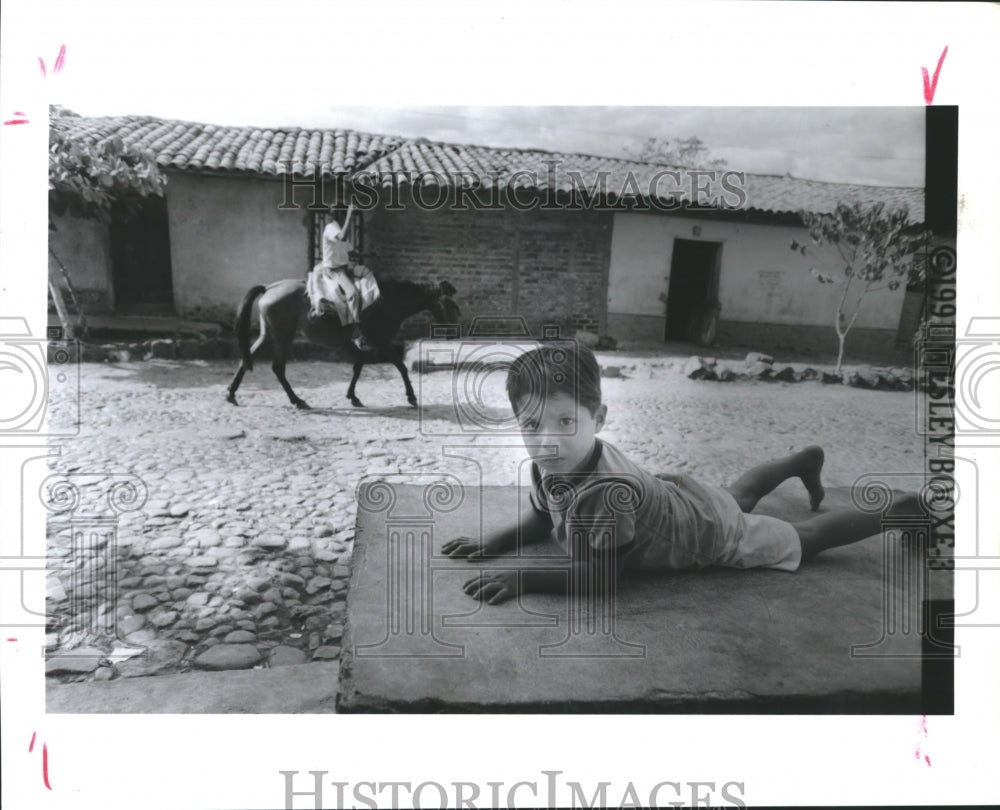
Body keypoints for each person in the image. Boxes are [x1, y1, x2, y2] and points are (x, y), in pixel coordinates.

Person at [442, 343, 920, 604]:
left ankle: (900, 511)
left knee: (803, 536)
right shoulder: (550, 463)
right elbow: (544, 518)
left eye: (565, 422)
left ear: (600, 418)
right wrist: (498, 540)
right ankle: (801, 462)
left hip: (705, 535)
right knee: (734, 496)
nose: (547, 439)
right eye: (531, 424)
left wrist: (525, 578)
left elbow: (601, 579)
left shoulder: (605, 496)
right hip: (681, 497)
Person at [307, 204, 376, 351]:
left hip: (344, 268)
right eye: (344, 214)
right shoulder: (331, 228)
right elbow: (343, 236)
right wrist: (351, 214)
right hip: (334, 270)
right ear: (339, 215)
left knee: (368, 284)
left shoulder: (338, 229)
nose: (346, 217)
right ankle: (356, 335)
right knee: (353, 293)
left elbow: (350, 252)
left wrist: (367, 255)